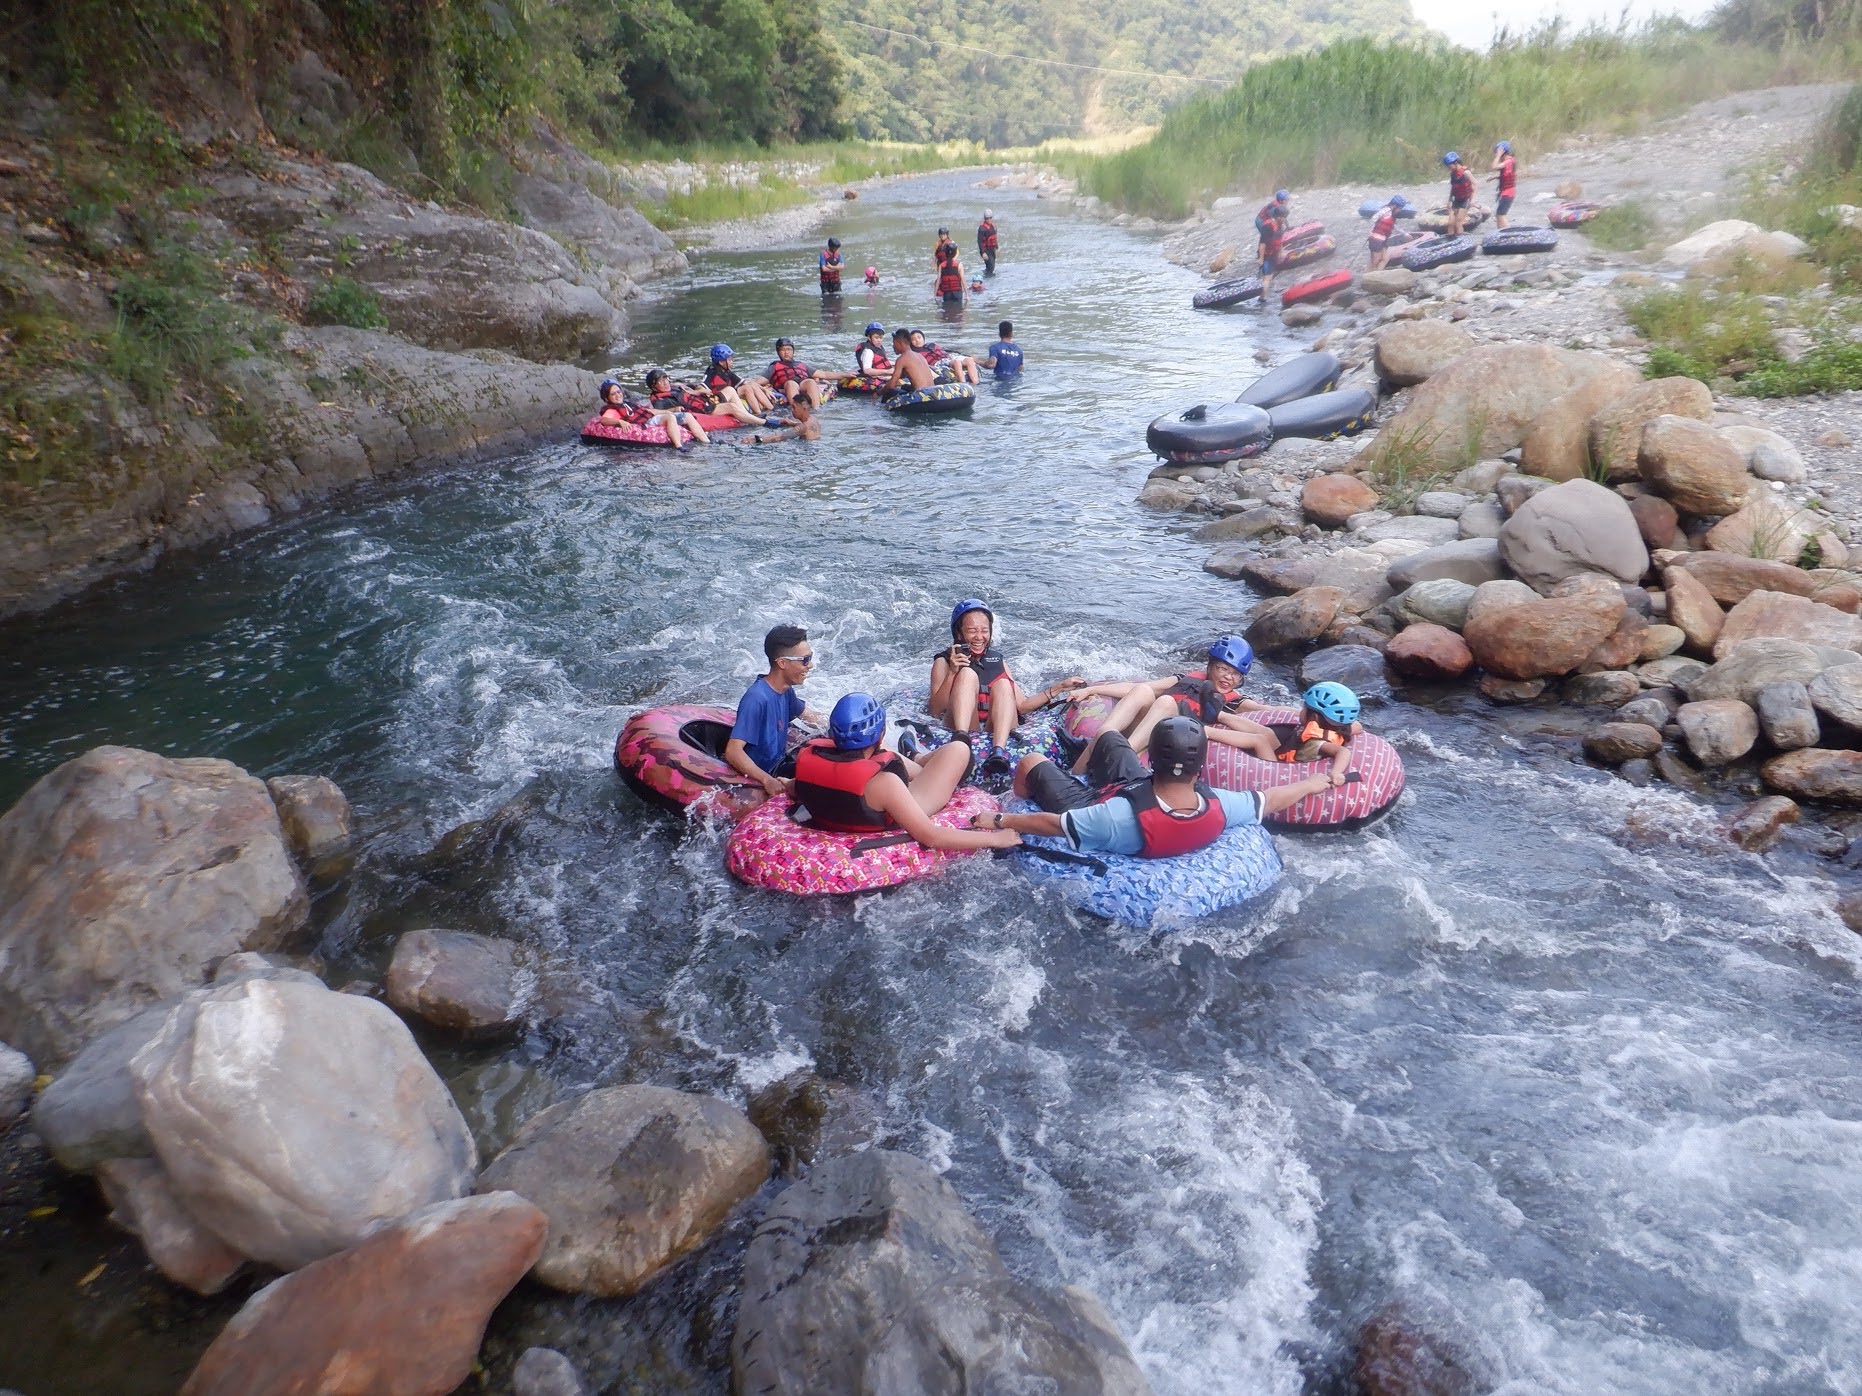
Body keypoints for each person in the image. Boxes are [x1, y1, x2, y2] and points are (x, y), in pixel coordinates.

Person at [976, 716, 1337, 858]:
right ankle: (1075, 769)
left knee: (1029, 763)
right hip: (1132, 789)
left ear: (1154, 761)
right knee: (1110, 736)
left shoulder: (1111, 819)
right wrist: (1310, 783)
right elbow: (1271, 800)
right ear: (1200, 767)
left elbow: (1053, 825)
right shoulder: (1221, 805)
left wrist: (1000, 818)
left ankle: (1054, 782)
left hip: (1092, 802)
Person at [791, 693, 1021, 852]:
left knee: (887, 756)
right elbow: (931, 836)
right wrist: (997, 839)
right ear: (880, 734)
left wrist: (781, 782)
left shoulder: (806, 758)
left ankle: (916, 758)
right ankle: (917, 758)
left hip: (865, 799)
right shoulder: (885, 783)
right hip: (899, 805)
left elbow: (794, 786)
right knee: (959, 749)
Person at [1064, 636, 1278, 773]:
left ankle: (1120, 754)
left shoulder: (1234, 702)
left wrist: (1306, 714)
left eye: (1235, 674)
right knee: (1144, 690)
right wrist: (1091, 689)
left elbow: (1269, 721)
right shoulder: (1186, 678)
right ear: (1210, 666)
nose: (1228, 678)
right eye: (1223, 669)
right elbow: (1137, 687)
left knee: (1166, 702)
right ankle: (1079, 771)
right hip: (1145, 729)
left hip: (1170, 746)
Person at [929, 598, 1082, 751]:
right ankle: (960, 740)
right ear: (959, 633)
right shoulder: (944, 662)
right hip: (965, 726)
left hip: (993, 729)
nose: (979, 637)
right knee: (967, 674)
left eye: (984, 631)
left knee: (1003, 684)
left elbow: (1022, 706)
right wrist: (952, 674)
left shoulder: (997, 661)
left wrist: (1060, 687)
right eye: (972, 631)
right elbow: (935, 711)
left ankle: (998, 750)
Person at [724, 624, 826, 798]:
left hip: (779, 764)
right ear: (782, 663)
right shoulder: (757, 699)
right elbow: (733, 751)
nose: (810, 665)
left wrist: (841, 730)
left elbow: (809, 716)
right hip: (762, 774)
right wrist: (766, 780)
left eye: (810, 657)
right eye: (805, 660)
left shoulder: (785, 690)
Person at [1275, 682, 1362, 783]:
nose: (1301, 711)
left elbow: (1343, 752)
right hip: (1294, 745)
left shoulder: (1314, 742)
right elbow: (1358, 726)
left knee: (1260, 741)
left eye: (1304, 708)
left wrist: (1336, 772)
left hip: (1283, 768)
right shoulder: (1339, 728)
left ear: (1314, 717)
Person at [646, 367, 774, 429]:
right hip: (703, 410)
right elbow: (658, 412)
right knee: (731, 406)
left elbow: (698, 391)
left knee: (730, 390)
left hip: (706, 401)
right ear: (654, 386)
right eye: (661, 382)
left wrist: (697, 392)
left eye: (666, 380)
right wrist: (674, 410)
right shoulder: (659, 400)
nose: (665, 383)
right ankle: (763, 422)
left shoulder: (676, 387)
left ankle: (744, 416)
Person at [597, 378, 703, 447]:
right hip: (646, 424)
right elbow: (604, 420)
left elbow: (647, 411)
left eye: (618, 392)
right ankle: (678, 447)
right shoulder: (612, 409)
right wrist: (620, 422)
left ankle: (705, 441)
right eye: (613, 394)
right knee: (670, 418)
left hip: (650, 418)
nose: (618, 395)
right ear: (607, 398)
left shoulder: (627, 404)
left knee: (688, 416)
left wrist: (669, 410)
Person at [705, 344, 779, 416]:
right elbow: (702, 386)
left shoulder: (726, 372)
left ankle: (771, 409)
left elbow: (746, 382)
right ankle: (758, 413)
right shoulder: (711, 373)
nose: (732, 362)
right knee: (746, 388)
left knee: (750, 385)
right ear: (721, 362)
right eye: (730, 360)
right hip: (718, 399)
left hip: (730, 394)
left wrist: (764, 390)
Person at [767, 337, 829, 410]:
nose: (786, 352)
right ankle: (797, 411)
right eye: (783, 350)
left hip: (803, 385)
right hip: (786, 387)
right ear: (778, 352)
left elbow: (824, 374)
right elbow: (762, 379)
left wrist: (844, 374)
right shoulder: (774, 366)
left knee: (810, 382)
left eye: (789, 349)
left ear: (793, 351)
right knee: (791, 384)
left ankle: (817, 410)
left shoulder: (801, 365)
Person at [908, 328, 980, 385]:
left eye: (919, 337)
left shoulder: (932, 345)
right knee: (956, 362)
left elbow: (945, 353)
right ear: (911, 343)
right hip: (937, 364)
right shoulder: (915, 354)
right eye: (913, 339)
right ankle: (963, 384)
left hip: (947, 358)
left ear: (923, 338)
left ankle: (975, 383)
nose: (917, 340)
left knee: (969, 360)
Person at [1255, 190, 1290, 295]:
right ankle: (1262, 296)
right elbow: (1263, 243)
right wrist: (1261, 258)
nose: (1288, 201)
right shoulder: (1272, 217)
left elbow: (1279, 238)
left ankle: (1266, 282)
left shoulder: (1280, 220)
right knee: (1266, 238)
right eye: (1287, 199)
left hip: (1273, 252)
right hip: (1261, 221)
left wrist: (1281, 250)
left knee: (1269, 274)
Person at [745, 395, 820, 444]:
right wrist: (791, 423)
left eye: (794, 407)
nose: (792, 410)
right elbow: (805, 428)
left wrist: (757, 440)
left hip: (805, 453)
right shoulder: (813, 419)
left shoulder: (802, 428)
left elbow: (780, 437)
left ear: (803, 408)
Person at [1367, 195, 1408, 271]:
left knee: (1385, 258)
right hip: (1376, 238)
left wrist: (1405, 234)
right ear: (1395, 205)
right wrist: (1371, 231)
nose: (1400, 210)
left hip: (1383, 239)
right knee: (1376, 259)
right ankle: (1370, 274)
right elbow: (1374, 218)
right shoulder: (1386, 210)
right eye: (1400, 208)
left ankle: (1376, 273)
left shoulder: (1392, 215)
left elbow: (1393, 226)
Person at [1444, 152, 1474, 237]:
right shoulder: (1453, 174)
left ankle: (1461, 241)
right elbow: (1453, 188)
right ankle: (1450, 241)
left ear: (1455, 162)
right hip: (1457, 200)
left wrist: (1473, 200)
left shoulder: (1466, 172)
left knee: (1458, 223)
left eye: (1450, 166)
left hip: (1465, 200)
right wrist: (1449, 201)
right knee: (1450, 223)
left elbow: (1475, 184)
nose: (1449, 168)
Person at [1490, 141, 1517, 229]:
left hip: (1508, 192)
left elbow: (1494, 166)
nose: (1496, 155)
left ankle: (1507, 232)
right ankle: (1500, 233)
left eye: (1497, 153)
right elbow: (1507, 176)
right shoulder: (1509, 161)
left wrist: (1498, 156)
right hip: (1507, 191)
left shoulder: (1508, 161)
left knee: (1501, 214)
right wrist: (1496, 177)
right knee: (1499, 214)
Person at [933, 240, 967, 305]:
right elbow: (963, 280)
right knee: (958, 312)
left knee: (946, 313)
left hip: (947, 294)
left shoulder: (941, 265)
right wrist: (967, 295)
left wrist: (934, 295)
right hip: (957, 293)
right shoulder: (959, 265)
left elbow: (938, 281)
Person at [977, 210, 999, 274]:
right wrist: (983, 253)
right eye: (987, 218)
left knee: (992, 266)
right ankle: (986, 278)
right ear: (984, 219)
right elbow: (979, 241)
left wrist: (997, 248)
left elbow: (995, 238)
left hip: (992, 249)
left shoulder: (994, 227)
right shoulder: (982, 228)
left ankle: (986, 274)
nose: (989, 220)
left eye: (990, 218)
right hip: (985, 250)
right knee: (991, 266)